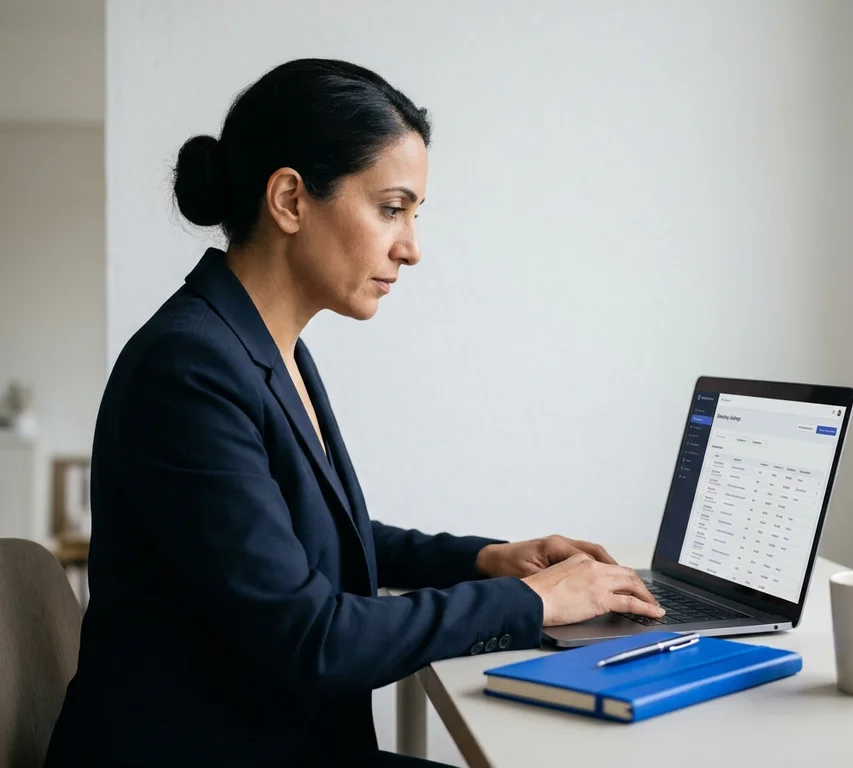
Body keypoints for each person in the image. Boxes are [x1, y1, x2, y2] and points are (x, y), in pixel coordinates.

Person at [44, 58, 665, 767]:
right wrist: (533, 601)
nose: (412, 247)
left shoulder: (260, 346)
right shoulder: (188, 369)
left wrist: (484, 559)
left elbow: (303, 538)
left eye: (414, 215)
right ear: (289, 199)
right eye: (391, 208)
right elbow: (313, 636)